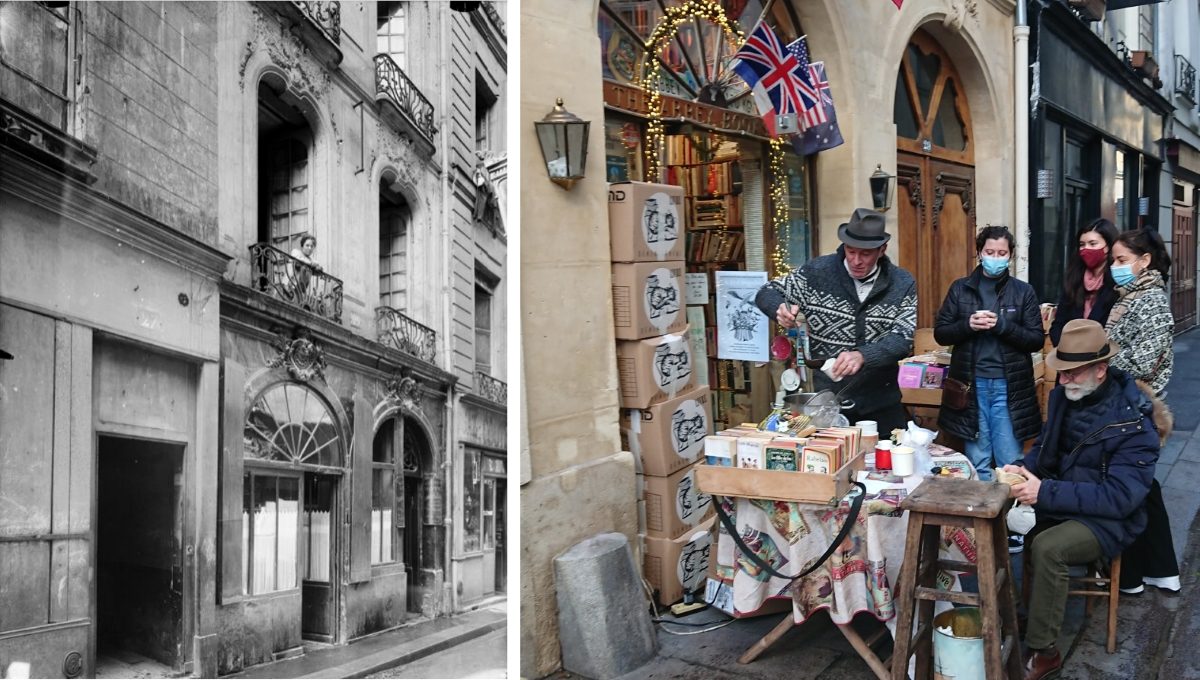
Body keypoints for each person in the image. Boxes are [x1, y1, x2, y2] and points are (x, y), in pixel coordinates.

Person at [1001, 319, 1164, 680]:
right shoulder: (1064, 396)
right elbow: (1046, 446)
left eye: (1072, 373)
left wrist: (1045, 491)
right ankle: (1012, 613)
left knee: (1049, 547)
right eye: (1061, 373)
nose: (1063, 381)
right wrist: (1023, 469)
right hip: (1064, 497)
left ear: (1101, 369)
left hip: (1109, 519)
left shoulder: (1133, 424)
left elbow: (1121, 498)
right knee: (993, 515)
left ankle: (1044, 651)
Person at [754, 207, 917, 434]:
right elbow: (766, 291)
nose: (856, 261)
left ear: (882, 250)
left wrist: (863, 355)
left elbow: (903, 339)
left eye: (865, 254)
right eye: (851, 251)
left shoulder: (902, 282)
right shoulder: (816, 273)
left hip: (881, 403)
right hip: (828, 404)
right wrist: (778, 308)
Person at [933, 226, 1044, 487]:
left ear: (1011, 255)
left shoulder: (1023, 291)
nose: (996, 257)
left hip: (1010, 385)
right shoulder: (960, 289)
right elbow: (942, 333)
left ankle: (1011, 519)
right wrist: (967, 324)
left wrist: (1003, 325)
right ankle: (984, 516)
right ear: (980, 253)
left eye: (1002, 252)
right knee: (977, 456)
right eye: (990, 251)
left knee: (1010, 458)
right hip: (970, 386)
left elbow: (1035, 339)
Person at [1105, 228, 1180, 595]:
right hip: (1128, 404)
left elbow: (1144, 362)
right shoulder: (1132, 296)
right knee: (1142, 486)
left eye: (1121, 260)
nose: (1114, 267)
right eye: (1114, 260)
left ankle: (1135, 574)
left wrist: (1099, 361)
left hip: (1136, 407)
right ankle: (1156, 570)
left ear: (1144, 260)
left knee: (1133, 487)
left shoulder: (1148, 299)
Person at [1048, 218, 1119, 345]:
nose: (1086, 249)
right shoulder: (1074, 278)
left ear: (1108, 247)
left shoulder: (1117, 281)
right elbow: (1058, 324)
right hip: (1071, 356)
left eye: (1093, 244)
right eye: (1082, 245)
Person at [289, 234, 322, 300]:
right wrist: (311, 264)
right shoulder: (296, 252)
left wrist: (319, 267)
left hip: (300, 291)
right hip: (289, 287)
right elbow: (298, 260)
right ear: (302, 246)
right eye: (307, 245)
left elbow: (318, 272)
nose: (309, 248)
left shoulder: (310, 260)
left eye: (312, 246)